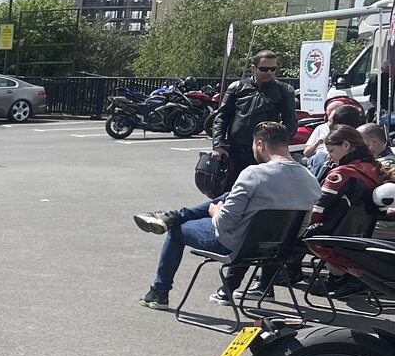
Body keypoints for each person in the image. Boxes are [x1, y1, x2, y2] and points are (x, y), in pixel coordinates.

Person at [132, 122, 320, 309]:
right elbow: (301, 227)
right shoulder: (310, 179)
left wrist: (215, 212)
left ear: (260, 144)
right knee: (230, 196)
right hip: (276, 249)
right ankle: (173, 215)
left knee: (176, 231)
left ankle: (159, 292)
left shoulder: (254, 174)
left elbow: (223, 224)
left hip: (236, 245)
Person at [211, 50, 297, 191]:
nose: (269, 72)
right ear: (253, 68)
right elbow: (221, 118)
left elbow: (291, 123)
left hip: (263, 152)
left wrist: (276, 148)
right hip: (234, 151)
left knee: (260, 192)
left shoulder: (284, 90)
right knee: (228, 192)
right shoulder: (236, 87)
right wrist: (218, 145)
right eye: (264, 69)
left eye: (273, 69)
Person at [302, 101, 366, 179]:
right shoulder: (364, 155)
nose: (328, 124)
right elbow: (306, 153)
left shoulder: (338, 171)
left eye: (330, 121)